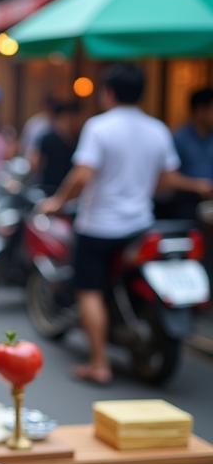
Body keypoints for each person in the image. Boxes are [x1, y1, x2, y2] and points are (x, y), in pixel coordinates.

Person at [38, 64, 213, 384]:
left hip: (99, 227)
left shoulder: (99, 127)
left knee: (87, 289)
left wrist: (57, 202)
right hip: (141, 225)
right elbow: (167, 181)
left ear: (108, 92)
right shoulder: (158, 129)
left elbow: (83, 175)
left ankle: (99, 363)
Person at [160, 87, 213, 220]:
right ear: (201, 110)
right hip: (186, 204)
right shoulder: (179, 138)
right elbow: (167, 178)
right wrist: (197, 185)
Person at [30, 100, 80, 196]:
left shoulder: (48, 137)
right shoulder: (75, 139)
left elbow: (35, 164)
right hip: (54, 189)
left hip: (57, 189)